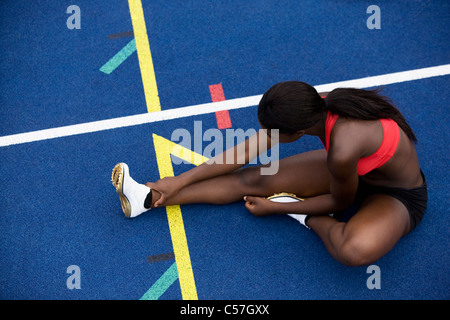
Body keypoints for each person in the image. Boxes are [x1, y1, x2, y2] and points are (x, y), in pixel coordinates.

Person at [111, 81, 427, 267]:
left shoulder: (343, 149)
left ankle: (310, 220)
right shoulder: (310, 105)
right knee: (252, 178)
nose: (267, 137)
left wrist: (280, 207)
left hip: (396, 196)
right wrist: (179, 180)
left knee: (352, 250)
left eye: (272, 133)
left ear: (299, 131)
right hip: (351, 173)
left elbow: (339, 200)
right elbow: (245, 152)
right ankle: (147, 199)